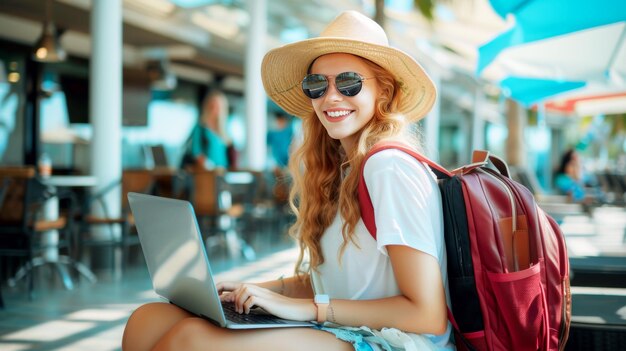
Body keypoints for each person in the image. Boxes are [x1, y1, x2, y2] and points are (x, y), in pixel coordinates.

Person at [123, 10, 453, 351]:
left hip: (394, 341)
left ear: (383, 91)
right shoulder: (341, 169)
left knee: (189, 340)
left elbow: (427, 315)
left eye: (349, 81)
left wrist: (306, 309)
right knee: (148, 320)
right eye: (317, 84)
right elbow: (345, 281)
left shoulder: (388, 167)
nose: (331, 96)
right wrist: (257, 290)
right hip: (345, 326)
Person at [181, 90, 231, 170]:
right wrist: (210, 166)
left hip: (222, 170)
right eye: (212, 105)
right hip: (206, 172)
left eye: (217, 106)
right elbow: (196, 152)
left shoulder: (224, 129)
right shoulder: (200, 127)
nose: (214, 109)